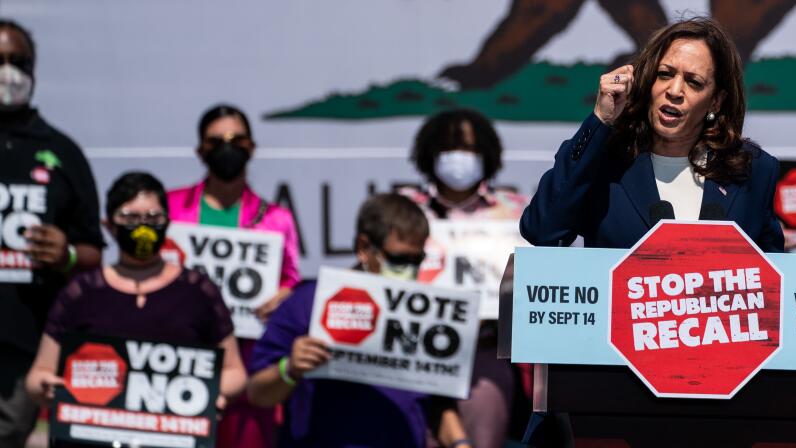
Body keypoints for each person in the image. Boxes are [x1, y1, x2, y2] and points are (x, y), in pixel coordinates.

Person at [521, 16, 783, 251]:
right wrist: (601, 120)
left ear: (716, 101)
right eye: (665, 74)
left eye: (694, 82)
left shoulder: (753, 170)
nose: (675, 90)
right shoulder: (605, 160)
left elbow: (774, 275)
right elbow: (542, 230)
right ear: (648, 81)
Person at [246, 193, 470, 448]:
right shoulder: (309, 301)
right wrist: (289, 369)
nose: (409, 269)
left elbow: (440, 403)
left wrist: (460, 443)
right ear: (364, 248)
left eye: (416, 260)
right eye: (398, 259)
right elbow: (257, 393)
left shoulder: (429, 313)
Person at [24, 173, 246, 426]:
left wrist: (211, 394)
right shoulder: (81, 293)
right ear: (109, 226)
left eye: (153, 217)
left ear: (167, 222)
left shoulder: (198, 291)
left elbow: (235, 372)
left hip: (173, 438)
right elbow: (38, 375)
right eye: (130, 217)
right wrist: (46, 387)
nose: (143, 226)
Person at [167, 103, 302, 447]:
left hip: (246, 362)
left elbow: (291, 281)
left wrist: (285, 296)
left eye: (236, 139)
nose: (227, 148)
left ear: (251, 147)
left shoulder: (276, 218)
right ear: (200, 151)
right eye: (216, 141)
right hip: (180, 357)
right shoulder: (171, 208)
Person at [0, 19, 105, 445]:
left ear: (34, 71)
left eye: (17, 61)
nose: (8, 72)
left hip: (22, 339)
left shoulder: (62, 152)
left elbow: (94, 252)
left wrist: (68, 255)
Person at [401, 109, 528, 448]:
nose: (460, 158)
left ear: (487, 153)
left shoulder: (516, 211)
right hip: (413, 352)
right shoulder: (404, 208)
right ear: (430, 152)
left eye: (470, 149)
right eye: (450, 148)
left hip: (485, 355)